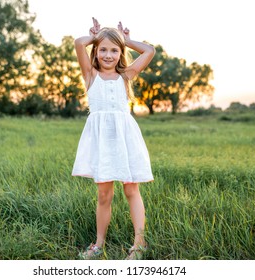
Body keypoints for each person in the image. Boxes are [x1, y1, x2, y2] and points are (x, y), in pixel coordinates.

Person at [72, 17, 155, 260]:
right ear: (96, 52)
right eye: (103, 50)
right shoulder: (90, 75)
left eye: (115, 50)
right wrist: (96, 37)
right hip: (102, 143)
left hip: (125, 140)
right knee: (104, 194)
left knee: (131, 190)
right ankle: (99, 245)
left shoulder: (126, 76)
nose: (108, 55)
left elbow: (149, 51)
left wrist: (127, 40)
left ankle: (139, 245)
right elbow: (79, 43)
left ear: (121, 54)